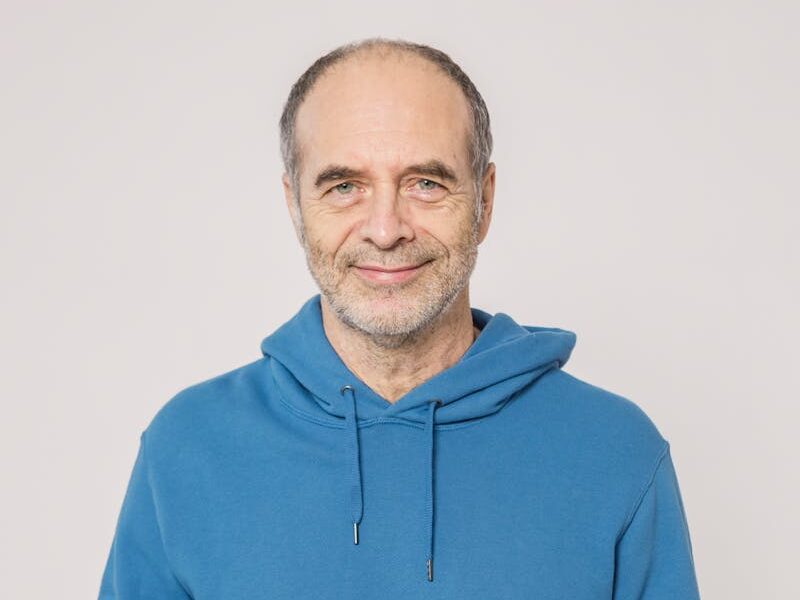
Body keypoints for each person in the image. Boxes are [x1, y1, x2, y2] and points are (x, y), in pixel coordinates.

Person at [98, 37, 701, 599]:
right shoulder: (187, 448)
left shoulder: (614, 452)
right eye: (344, 186)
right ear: (294, 205)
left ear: (484, 202)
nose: (386, 230)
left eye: (426, 183)